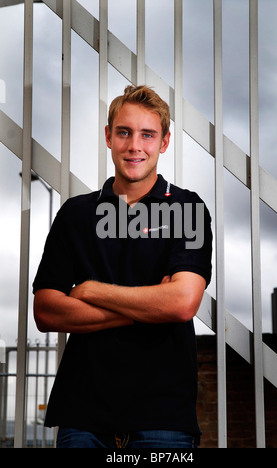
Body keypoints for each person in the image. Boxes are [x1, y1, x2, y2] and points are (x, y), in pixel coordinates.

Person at [33, 85, 213, 449]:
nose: (135, 146)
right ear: (108, 137)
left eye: (147, 135)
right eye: (124, 132)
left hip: (164, 418)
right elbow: (46, 311)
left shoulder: (188, 209)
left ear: (163, 143)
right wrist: (147, 308)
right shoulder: (76, 214)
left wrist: (91, 291)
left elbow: (181, 303)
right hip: (83, 414)